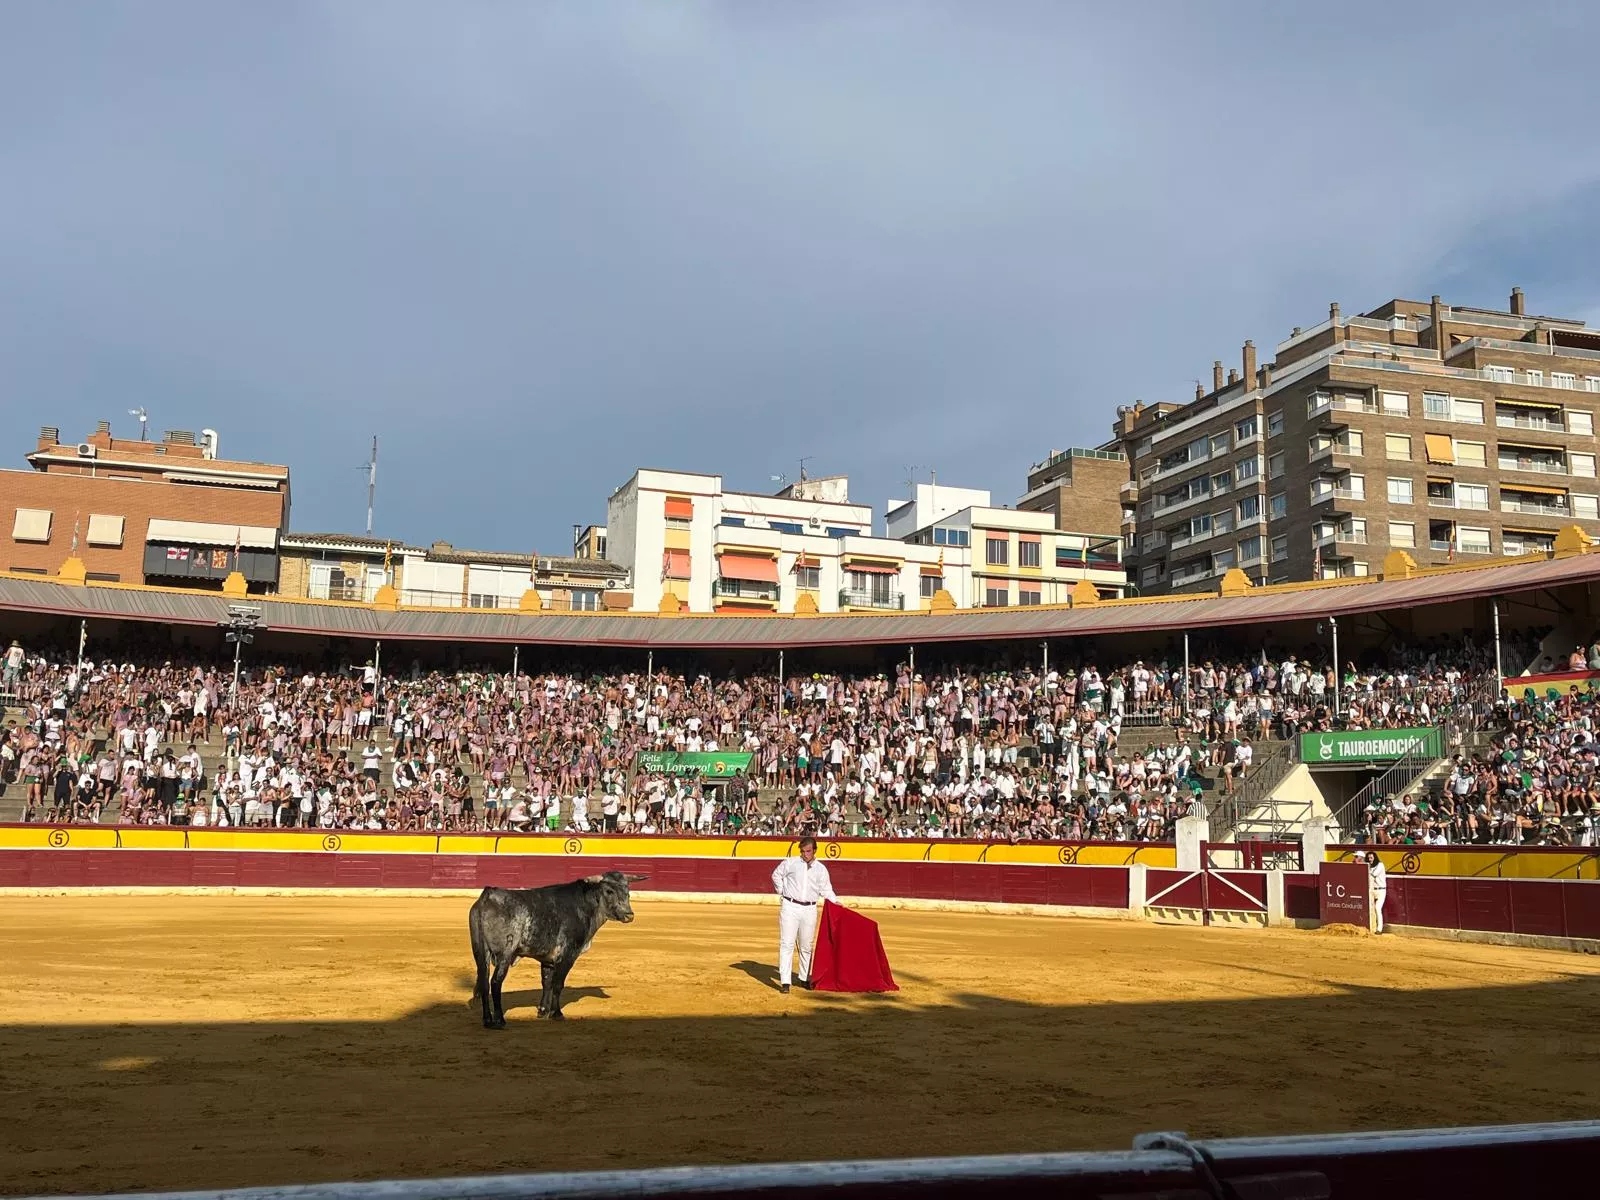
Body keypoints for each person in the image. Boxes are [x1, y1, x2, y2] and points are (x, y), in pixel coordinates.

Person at [770, 835, 837, 993]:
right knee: (787, 944)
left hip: (810, 909)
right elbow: (776, 875)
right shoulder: (791, 862)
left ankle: (804, 977)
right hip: (790, 906)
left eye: (808, 851)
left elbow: (826, 889)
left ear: (814, 850)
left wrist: (836, 902)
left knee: (806, 945)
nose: (805, 854)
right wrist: (782, 891)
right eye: (803, 851)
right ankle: (785, 981)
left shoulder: (821, 869)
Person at [1366, 850, 1388, 933]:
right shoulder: (1369, 866)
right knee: (1370, 909)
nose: (1370, 859)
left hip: (1381, 890)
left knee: (1377, 908)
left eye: (1371, 858)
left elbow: (1373, 875)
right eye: (1368, 858)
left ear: (1375, 858)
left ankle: (1379, 929)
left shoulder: (1380, 865)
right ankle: (1372, 927)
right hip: (1371, 890)